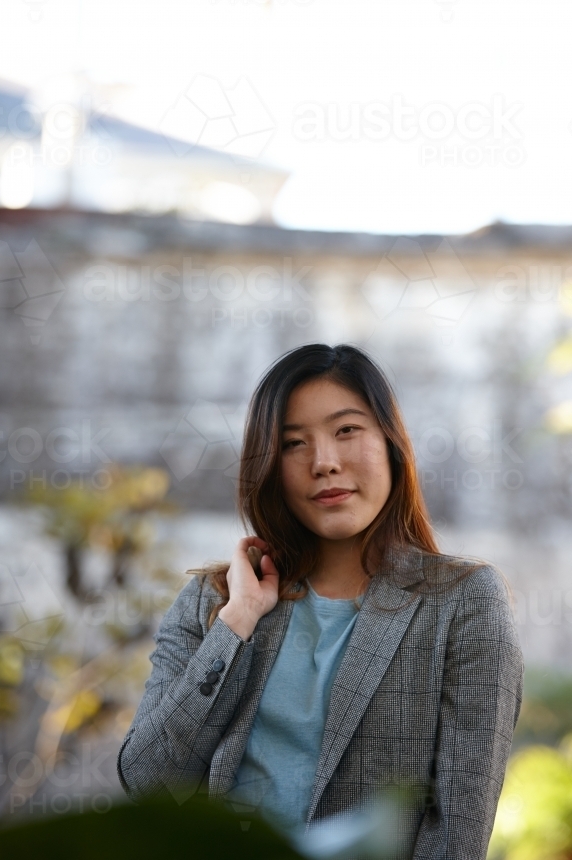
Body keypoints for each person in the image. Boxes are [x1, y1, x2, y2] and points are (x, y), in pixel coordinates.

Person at [117, 343, 524, 859]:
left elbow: (458, 829)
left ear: (391, 443)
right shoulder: (212, 602)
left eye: (347, 430)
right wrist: (237, 622)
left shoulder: (463, 602)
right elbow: (148, 781)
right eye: (293, 444)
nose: (324, 463)